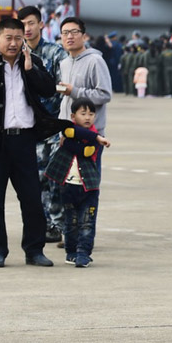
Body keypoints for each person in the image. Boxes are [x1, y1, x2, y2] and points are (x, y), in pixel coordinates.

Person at [0, 17, 64, 268]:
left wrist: (31, 69)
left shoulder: (32, 62)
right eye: (9, 37)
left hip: (24, 141)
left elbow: (49, 89)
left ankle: (34, 250)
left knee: (31, 199)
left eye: (19, 38)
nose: (14, 43)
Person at [19, 6, 70, 243]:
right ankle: (44, 223)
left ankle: (58, 225)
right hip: (28, 126)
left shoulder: (56, 53)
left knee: (54, 177)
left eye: (31, 23)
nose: (27, 29)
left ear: (41, 25)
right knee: (34, 179)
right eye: (23, 25)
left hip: (53, 125)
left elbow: (65, 89)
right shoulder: (14, 53)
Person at [43, 97, 111, 268]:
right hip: (68, 187)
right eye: (83, 114)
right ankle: (71, 252)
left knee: (87, 222)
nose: (88, 117)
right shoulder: (75, 132)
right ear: (73, 117)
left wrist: (95, 138)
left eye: (91, 114)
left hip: (88, 188)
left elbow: (86, 151)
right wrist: (94, 137)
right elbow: (70, 133)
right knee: (71, 222)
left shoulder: (96, 140)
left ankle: (83, 253)